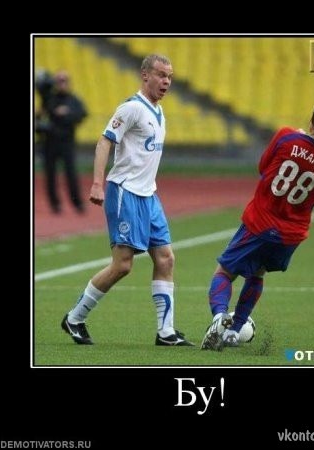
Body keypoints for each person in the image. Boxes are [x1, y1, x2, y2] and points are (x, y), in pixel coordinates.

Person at [61, 54, 194, 346]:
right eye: (161, 75)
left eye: (170, 77)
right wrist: (98, 183)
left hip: (149, 195)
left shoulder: (159, 112)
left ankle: (166, 332)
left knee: (166, 258)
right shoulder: (132, 108)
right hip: (125, 192)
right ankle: (74, 318)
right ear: (145, 75)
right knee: (122, 265)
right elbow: (105, 141)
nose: (167, 82)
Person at [201, 99, 314, 350]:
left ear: (313, 122)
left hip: (259, 222)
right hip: (289, 236)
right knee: (258, 273)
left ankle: (219, 318)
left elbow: (262, 167)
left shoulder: (287, 137)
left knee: (224, 272)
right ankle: (234, 332)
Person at [36, 70, 87, 214]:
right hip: (50, 142)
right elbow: (40, 118)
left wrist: (67, 113)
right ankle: (55, 204)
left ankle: (77, 203)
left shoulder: (73, 100)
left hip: (67, 142)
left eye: (64, 81)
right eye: (58, 81)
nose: (61, 84)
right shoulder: (49, 99)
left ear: (68, 83)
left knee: (71, 173)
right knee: (50, 174)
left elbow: (82, 114)